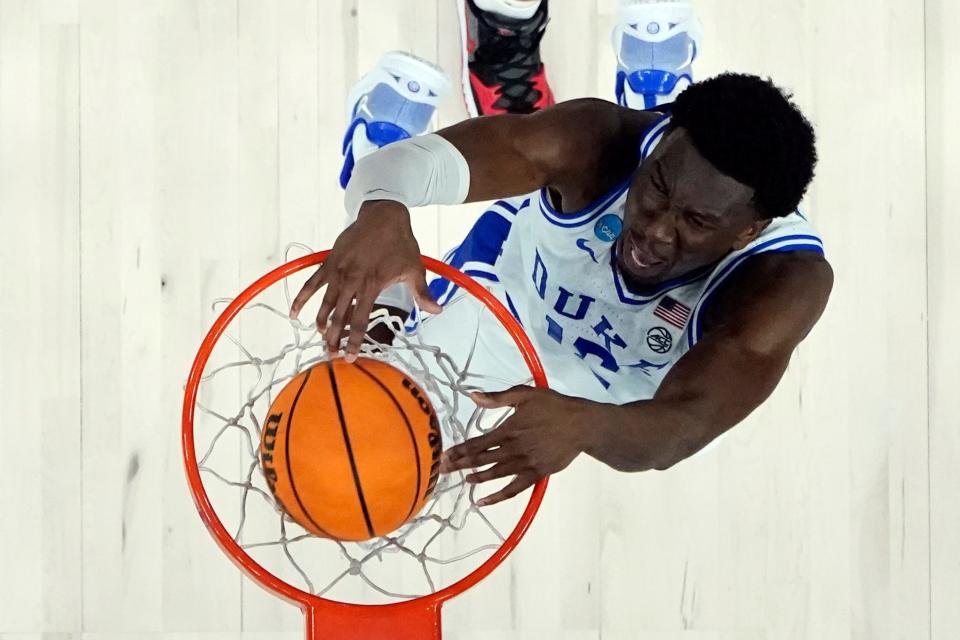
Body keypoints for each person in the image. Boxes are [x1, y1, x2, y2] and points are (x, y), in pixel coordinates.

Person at [291, 0, 833, 507]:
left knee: (692, 182)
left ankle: (661, 96)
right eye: (657, 192)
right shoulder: (592, 143)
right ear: (658, 141)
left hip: (624, 398)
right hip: (510, 303)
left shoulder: (781, 281)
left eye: (695, 223)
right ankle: (373, 145)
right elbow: (413, 168)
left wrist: (586, 425)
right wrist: (383, 206)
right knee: (367, 445)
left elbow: (681, 426)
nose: (656, 233)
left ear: (749, 231)